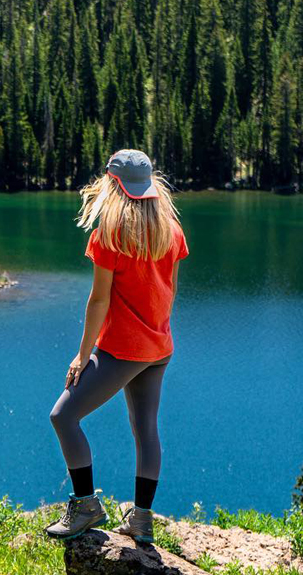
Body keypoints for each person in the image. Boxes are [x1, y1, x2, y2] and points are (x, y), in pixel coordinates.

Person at [44, 149, 188, 543]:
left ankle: (87, 505)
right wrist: (154, 333)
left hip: (122, 350)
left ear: (113, 184)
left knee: (64, 417)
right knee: (146, 430)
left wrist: (82, 353)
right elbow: (169, 291)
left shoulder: (109, 232)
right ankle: (141, 520)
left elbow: (99, 301)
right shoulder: (171, 230)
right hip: (158, 347)